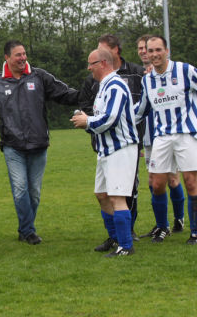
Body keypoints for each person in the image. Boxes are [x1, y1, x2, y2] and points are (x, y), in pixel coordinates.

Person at [0, 40, 79, 244]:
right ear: (7, 57)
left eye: (24, 54)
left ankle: (25, 229)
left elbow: (64, 94)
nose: (23, 58)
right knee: (20, 188)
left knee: (34, 193)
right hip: (12, 146)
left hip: (39, 144)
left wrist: (89, 93)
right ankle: (27, 231)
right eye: (18, 55)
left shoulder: (39, 76)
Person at [79, 34, 144, 250]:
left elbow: (110, 118)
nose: (89, 68)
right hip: (105, 149)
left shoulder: (115, 85)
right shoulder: (103, 86)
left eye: (92, 64)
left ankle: (125, 246)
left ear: (103, 63)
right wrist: (87, 118)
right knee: (102, 195)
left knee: (117, 197)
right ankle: (115, 238)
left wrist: (86, 121)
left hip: (121, 149)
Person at [134, 36, 197, 245]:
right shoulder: (147, 80)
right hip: (161, 136)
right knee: (157, 183)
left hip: (186, 134)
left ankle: (195, 232)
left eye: (158, 50)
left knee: (191, 182)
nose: (154, 54)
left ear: (167, 51)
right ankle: (162, 227)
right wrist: (117, 119)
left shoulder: (185, 70)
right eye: (150, 51)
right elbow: (141, 110)